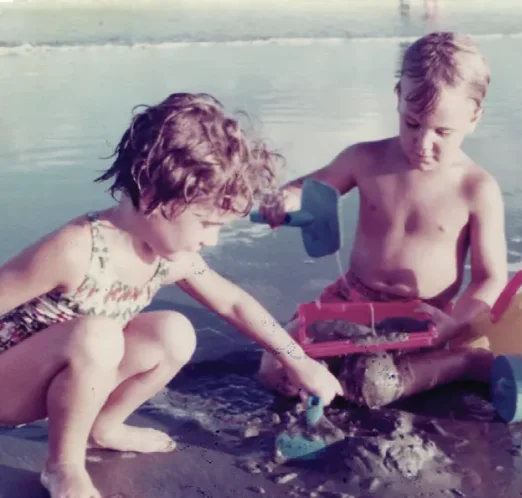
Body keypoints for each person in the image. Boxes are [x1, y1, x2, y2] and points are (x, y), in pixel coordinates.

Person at [0, 93, 342, 498]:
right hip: (11, 389)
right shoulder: (76, 250)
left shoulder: (169, 255)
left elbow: (232, 302)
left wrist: (297, 359)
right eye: (206, 222)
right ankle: (63, 467)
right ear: (152, 197)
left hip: (73, 384)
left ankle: (103, 427)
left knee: (173, 331)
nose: (211, 240)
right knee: (99, 336)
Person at [257, 31, 508, 409]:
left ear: (474, 117)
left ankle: (464, 362)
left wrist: (455, 324)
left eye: (443, 132)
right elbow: (312, 189)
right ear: (398, 98)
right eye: (412, 124)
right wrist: (286, 200)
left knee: (375, 385)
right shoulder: (365, 159)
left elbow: (491, 278)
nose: (423, 144)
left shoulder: (476, 189)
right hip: (351, 299)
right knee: (273, 369)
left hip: (423, 319)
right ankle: (348, 368)